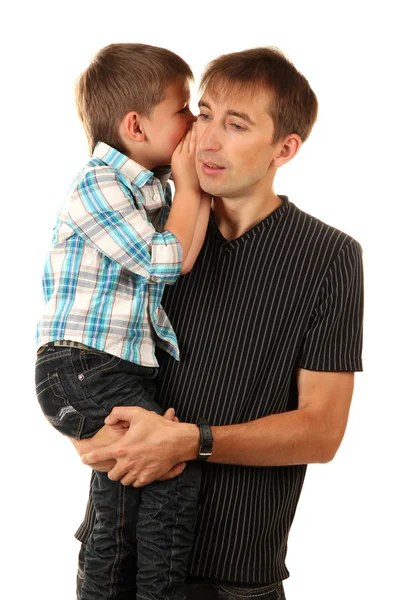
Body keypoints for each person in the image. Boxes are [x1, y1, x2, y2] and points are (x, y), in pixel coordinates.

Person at [77, 46, 364, 599]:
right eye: (203, 114)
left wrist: (190, 442)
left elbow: (323, 431)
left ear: (285, 148)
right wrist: (93, 433)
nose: (206, 140)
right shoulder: (148, 232)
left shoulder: (330, 256)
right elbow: (78, 349)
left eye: (235, 125)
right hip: (120, 553)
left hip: (239, 571)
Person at [35, 43, 211, 600]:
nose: (193, 119)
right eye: (183, 108)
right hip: (80, 365)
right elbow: (170, 259)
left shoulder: (148, 190)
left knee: (119, 500)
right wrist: (190, 184)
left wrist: (190, 187)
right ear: (135, 125)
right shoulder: (98, 185)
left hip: (109, 366)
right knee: (168, 472)